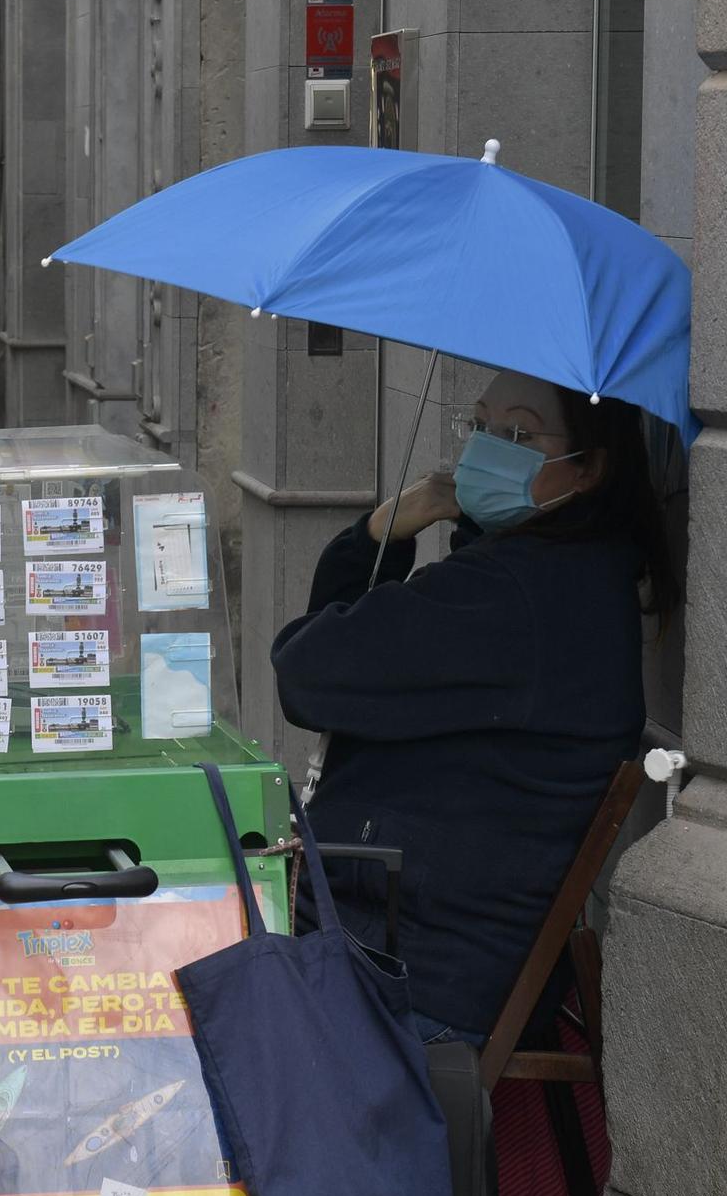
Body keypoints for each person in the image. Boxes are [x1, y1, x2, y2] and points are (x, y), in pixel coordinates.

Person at [270, 369, 680, 1047]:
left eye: (519, 433)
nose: (487, 447)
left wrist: (379, 534)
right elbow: (330, 663)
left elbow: (304, 671)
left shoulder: (516, 597)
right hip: (418, 944)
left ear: (588, 471)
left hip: (410, 970)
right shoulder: (566, 574)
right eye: (481, 425)